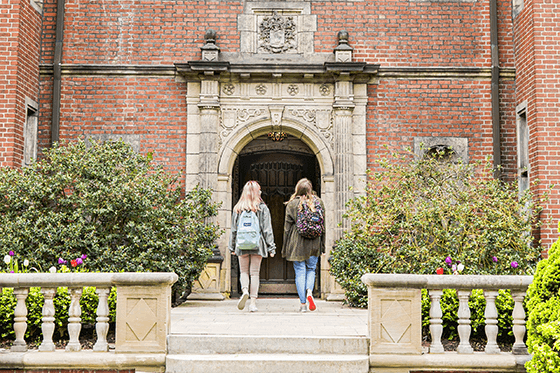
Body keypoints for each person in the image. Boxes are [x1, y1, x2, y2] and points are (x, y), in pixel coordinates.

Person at [228, 180, 276, 312]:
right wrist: (271, 247)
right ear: (256, 192)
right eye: (259, 190)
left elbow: (233, 230)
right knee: (254, 273)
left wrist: (232, 247)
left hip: (242, 244)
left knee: (243, 271)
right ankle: (253, 303)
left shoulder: (238, 208)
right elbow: (267, 229)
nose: (260, 192)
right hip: (257, 244)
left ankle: (244, 290)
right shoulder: (262, 208)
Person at [282, 178, 325, 312]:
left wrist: (285, 247)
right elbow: (323, 226)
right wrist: (322, 245)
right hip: (314, 241)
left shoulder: (292, 204)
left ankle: (303, 305)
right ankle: (310, 293)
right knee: (311, 270)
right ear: (310, 189)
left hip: (297, 242)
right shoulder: (319, 203)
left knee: (300, 272)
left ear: (297, 189)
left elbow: (287, 229)